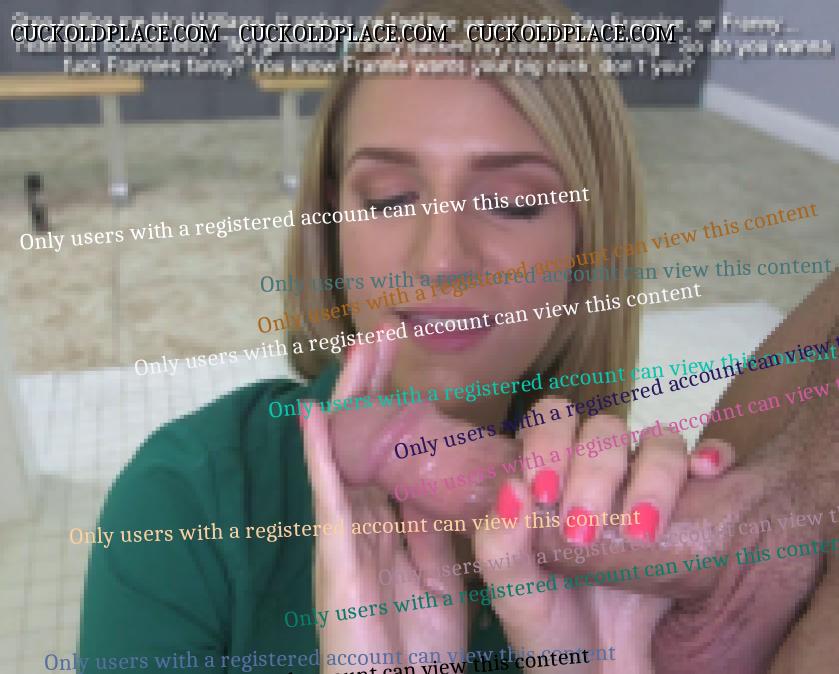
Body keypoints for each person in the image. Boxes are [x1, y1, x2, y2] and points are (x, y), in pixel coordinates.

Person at [80, 0, 838, 671]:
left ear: (589, 243)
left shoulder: (627, 549)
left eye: (512, 203)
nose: (440, 259)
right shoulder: (184, 504)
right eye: (389, 199)